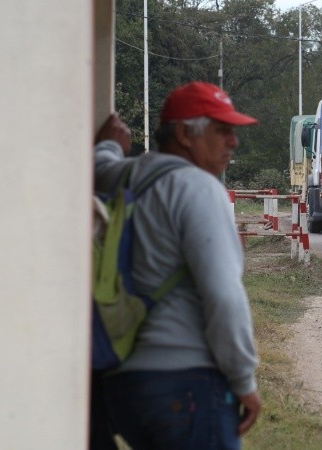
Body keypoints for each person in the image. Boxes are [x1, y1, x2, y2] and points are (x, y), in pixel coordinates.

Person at [93, 81, 262, 450]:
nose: (233, 142)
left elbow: (98, 166)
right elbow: (224, 296)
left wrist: (108, 144)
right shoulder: (198, 188)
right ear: (185, 133)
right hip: (188, 385)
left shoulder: (126, 175)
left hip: (123, 389)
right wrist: (244, 381)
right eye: (222, 130)